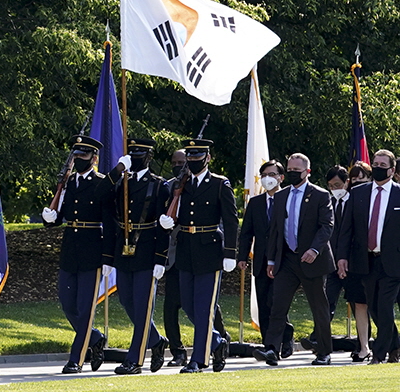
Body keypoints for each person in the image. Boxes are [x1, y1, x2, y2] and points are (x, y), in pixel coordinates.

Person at [158, 138, 237, 374]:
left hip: (209, 250)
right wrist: (168, 219)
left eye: (197, 158)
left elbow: (231, 220)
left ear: (208, 159)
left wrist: (230, 253)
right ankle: (216, 342)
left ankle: (199, 360)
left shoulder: (219, 184)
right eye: (189, 158)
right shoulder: (180, 185)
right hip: (185, 248)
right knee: (190, 305)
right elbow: (177, 212)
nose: (192, 162)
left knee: (203, 308)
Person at [42, 135, 115, 374]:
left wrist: (108, 258)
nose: (78, 160)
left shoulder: (102, 183)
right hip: (70, 249)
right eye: (76, 156)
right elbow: (62, 213)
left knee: (85, 308)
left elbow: (110, 223)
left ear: (94, 159)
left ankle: (77, 359)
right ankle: (94, 337)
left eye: (83, 156)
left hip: (92, 249)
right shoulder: (69, 182)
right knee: (66, 302)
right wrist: (51, 219)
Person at [253, 153, 335, 365]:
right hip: (287, 259)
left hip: (312, 260)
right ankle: (272, 349)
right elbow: (275, 231)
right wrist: (271, 260)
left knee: (319, 307)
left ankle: (324, 351)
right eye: (289, 170)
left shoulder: (320, 195)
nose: (292, 174)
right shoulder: (282, 196)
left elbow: (327, 226)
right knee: (277, 305)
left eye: (296, 171)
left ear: (307, 172)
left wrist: (315, 250)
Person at [106, 138, 170, 374]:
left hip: (146, 250)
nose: (134, 157)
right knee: (127, 301)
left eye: (139, 154)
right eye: (131, 153)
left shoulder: (159, 185)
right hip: (124, 251)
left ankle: (135, 360)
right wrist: (117, 171)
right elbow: (101, 195)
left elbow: (164, 226)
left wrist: (160, 258)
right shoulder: (121, 182)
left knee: (143, 307)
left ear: (149, 157)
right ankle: (155, 339)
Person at [337, 149, 400, 363]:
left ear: (392, 170)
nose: (378, 168)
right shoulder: (358, 193)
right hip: (366, 260)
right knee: (373, 307)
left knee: (384, 305)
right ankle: (395, 345)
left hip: (392, 262)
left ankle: (379, 355)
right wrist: (342, 257)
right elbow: (347, 229)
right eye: (375, 163)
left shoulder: (399, 193)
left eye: (383, 165)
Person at [237, 160, 294, 356]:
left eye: (272, 174)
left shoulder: (288, 198)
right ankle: (269, 346)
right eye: (264, 175)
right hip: (261, 260)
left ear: (281, 177)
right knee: (263, 302)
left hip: (283, 261)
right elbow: (246, 232)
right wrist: (242, 256)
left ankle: (284, 338)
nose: (268, 178)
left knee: (276, 303)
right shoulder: (255, 203)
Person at [321, 165, 371, 361]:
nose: (336, 188)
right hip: (335, 261)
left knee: (363, 305)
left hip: (359, 262)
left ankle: (365, 345)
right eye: (331, 185)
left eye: (339, 184)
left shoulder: (359, 202)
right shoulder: (329, 201)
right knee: (327, 300)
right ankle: (319, 339)